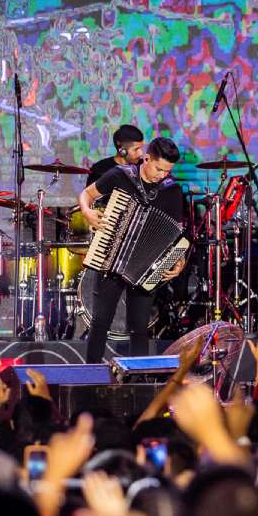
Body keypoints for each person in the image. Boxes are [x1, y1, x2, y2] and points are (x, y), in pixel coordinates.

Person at [77, 137, 188, 361]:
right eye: (159, 169)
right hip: (110, 256)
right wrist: (87, 212)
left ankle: (138, 381)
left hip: (146, 267)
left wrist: (179, 261)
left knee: (139, 327)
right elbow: (87, 195)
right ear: (146, 158)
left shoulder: (171, 190)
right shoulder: (120, 175)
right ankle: (89, 375)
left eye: (167, 171)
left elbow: (176, 234)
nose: (162, 175)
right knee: (100, 321)